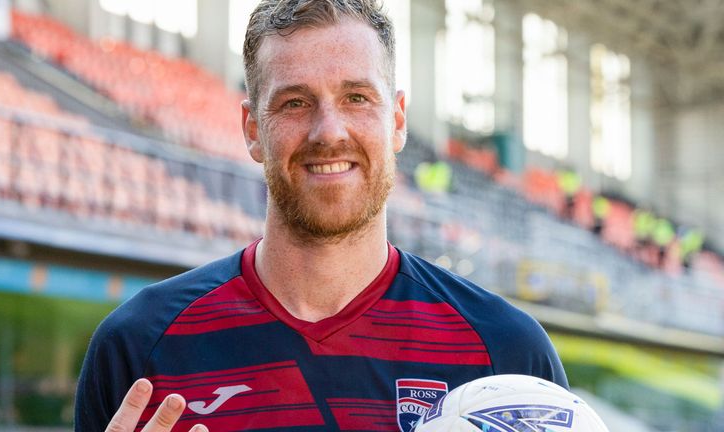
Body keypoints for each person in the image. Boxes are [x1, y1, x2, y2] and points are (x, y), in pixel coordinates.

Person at [75, 1, 567, 431]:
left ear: (396, 122)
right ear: (252, 129)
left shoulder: (506, 352)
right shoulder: (139, 348)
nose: (328, 131)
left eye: (356, 98)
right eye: (295, 102)